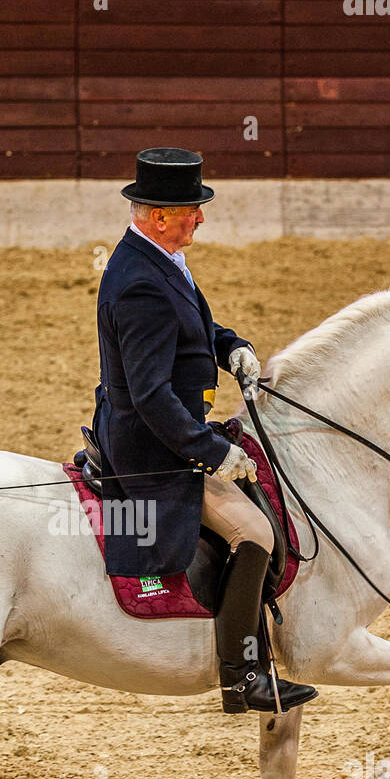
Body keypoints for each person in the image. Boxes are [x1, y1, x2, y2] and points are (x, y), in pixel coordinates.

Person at [92, 147, 317, 714]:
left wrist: (230, 345)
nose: (201, 217)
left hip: (174, 423)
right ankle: (243, 676)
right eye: (193, 208)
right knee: (255, 533)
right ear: (159, 214)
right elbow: (149, 396)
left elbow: (194, 323)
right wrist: (209, 451)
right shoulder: (141, 282)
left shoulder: (158, 257)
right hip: (153, 444)